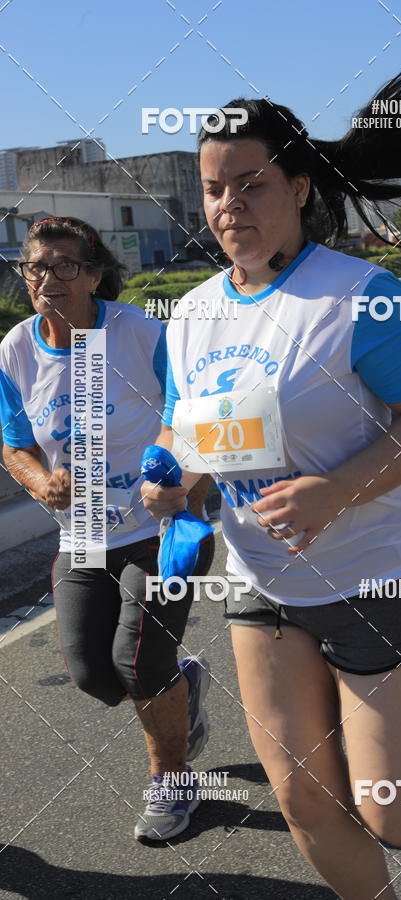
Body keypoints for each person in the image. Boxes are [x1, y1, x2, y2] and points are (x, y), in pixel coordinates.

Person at [142, 49, 401, 897]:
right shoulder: (194, 312)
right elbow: (186, 427)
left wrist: (334, 489)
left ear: (300, 188)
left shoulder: (362, 294)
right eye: (213, 188)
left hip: (375, 577)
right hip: (260, 583)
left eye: (253, 184)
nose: (230, 204)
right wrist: (174, 480)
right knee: (304, 799)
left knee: (395, 810)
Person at [0, 216, 215, 842]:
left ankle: (173, 786)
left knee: (138, 659)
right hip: (86, 534)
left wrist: (177, 479)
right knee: (95, 676)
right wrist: (40, 482)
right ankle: (182, 688)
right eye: (35, 266)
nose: (48, 278)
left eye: (66, 266)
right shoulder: (14, 350)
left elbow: (193, 411)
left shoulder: (141, 334)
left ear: (95, 274)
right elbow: (14, 444)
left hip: (160, 527)